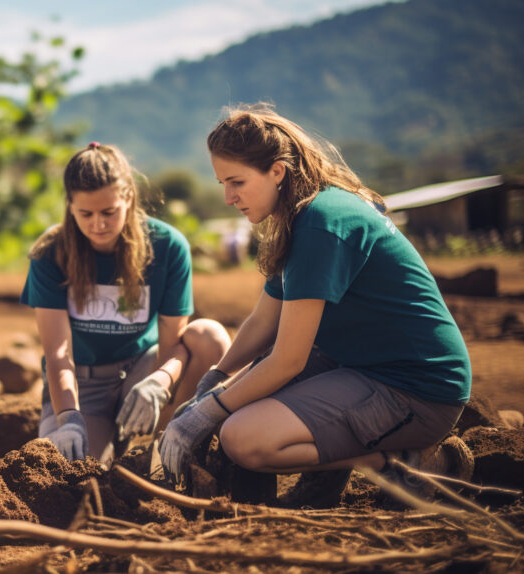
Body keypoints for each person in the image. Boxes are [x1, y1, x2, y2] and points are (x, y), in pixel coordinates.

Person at [160, 105, 472, 489]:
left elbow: (288, 360)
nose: (228, 197)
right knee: (234, 399)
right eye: (222, 183)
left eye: (237, 182)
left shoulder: (321, 224)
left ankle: (405, 462)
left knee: (242, 437)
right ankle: (318, 483)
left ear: (277, 171)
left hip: (415, 388)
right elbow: (263, 322)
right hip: (360, 363)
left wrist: (204, 413)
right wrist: (216, 379)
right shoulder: (299, 215)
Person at [20, 142, 231, 464]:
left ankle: (167, 451)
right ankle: (100, 438)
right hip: (80, 385)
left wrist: (158, 384)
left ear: (129, 198)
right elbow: (57, 356)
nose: (98, 224)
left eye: (109, 212)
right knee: (71, 469)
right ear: (69, 206)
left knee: (208, 337)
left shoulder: (167, 246)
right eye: (85, 214)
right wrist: (69, 419)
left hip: (141, 371)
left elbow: (174, 346)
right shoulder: (51, 251)